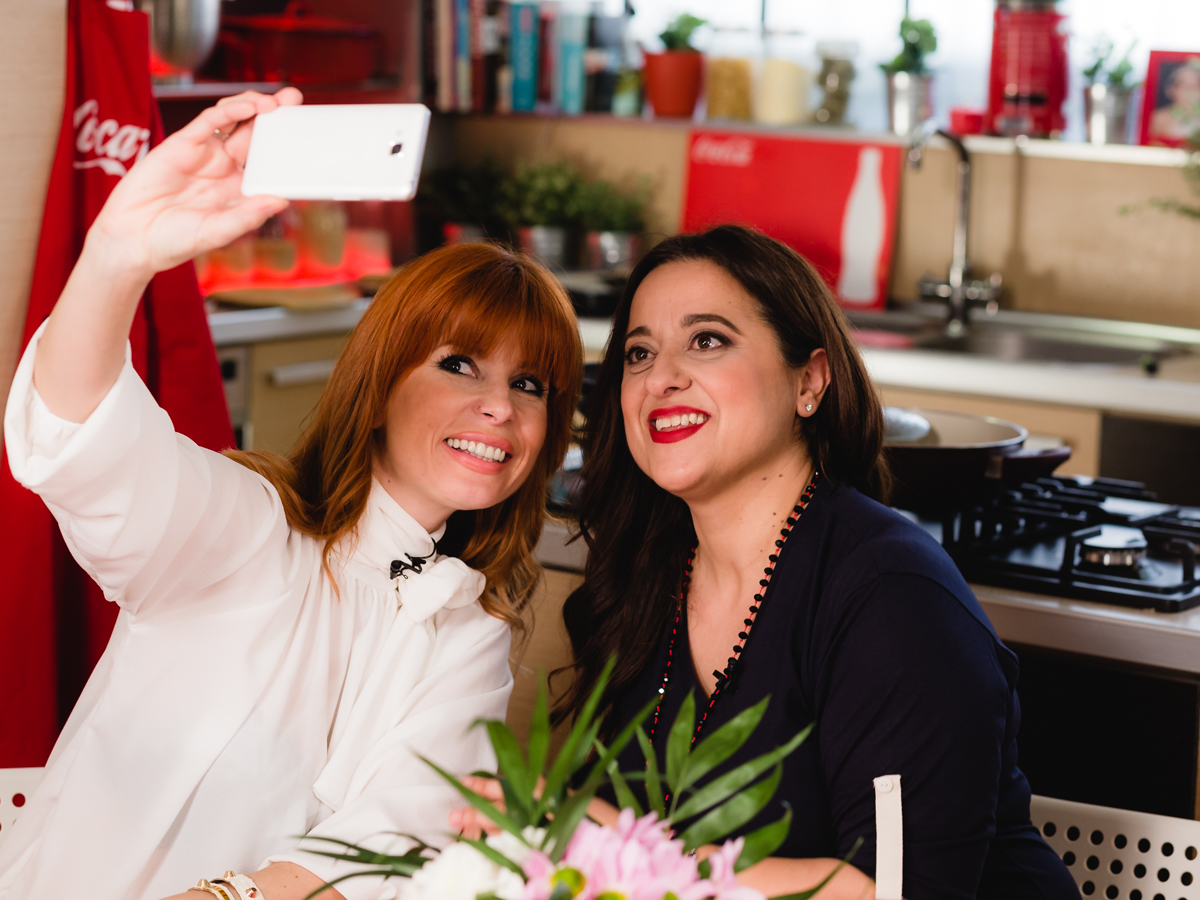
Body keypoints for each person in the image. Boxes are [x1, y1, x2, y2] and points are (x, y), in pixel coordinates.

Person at [0, 89, 582, 900]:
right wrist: (117, 256)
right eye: (460, 364)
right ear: (378, 388)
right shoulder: (249, 527)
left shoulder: (467, 630)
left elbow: (389, 842)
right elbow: (81, 443)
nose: (500, 407)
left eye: (531, 384)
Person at [550, 225, 1078, 899]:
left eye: (707, 340)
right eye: (639, 352)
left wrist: (591, 841)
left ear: (810, 380)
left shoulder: (894, 602)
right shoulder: (641, 576)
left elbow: (894, 893)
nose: (662, 378)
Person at [1149, 60, 1200, 145]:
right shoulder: (1158, 118)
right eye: (1185, 86)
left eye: (1195, 86)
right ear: (1171, 90)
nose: (1191, 91)